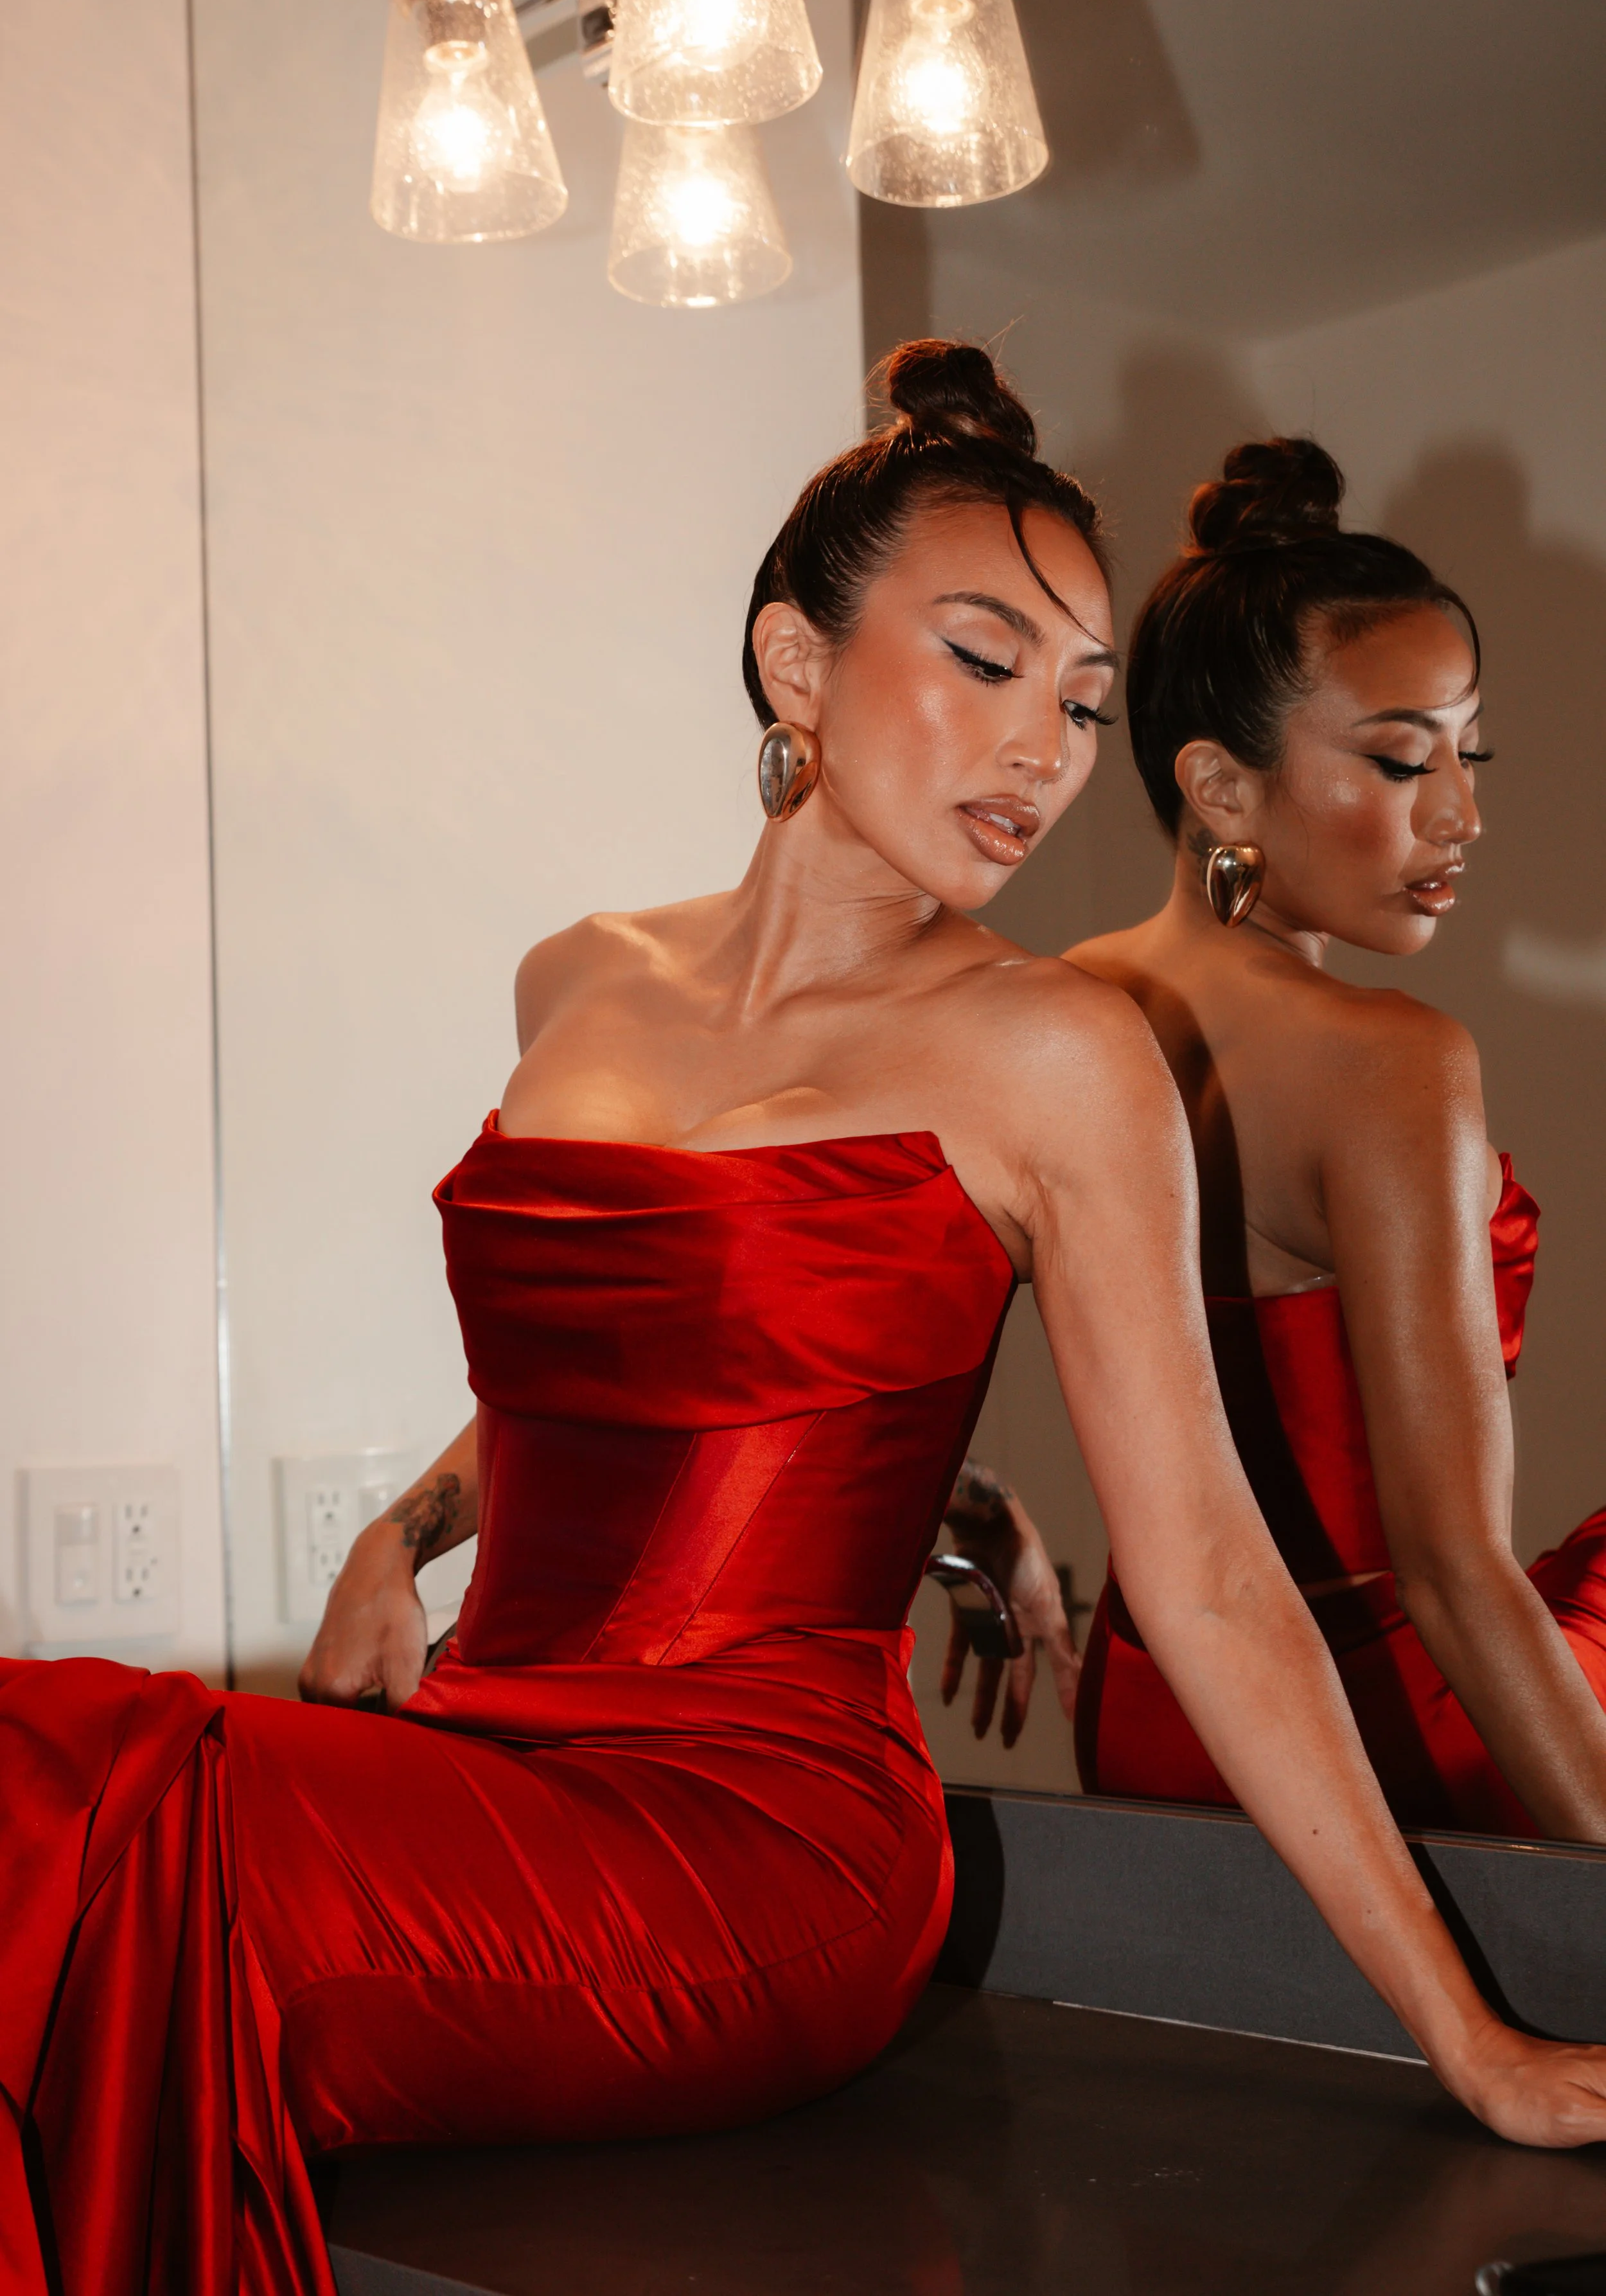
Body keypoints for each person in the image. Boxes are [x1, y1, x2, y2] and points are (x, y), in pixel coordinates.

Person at [6, 357, 1605, 2296]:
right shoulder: (578, 981)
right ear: (795, 661)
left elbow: (1205, 1576)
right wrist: (405, 1528)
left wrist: (1477, 2040)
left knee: (72, 1786)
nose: (1039, 748)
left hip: (754, 1850)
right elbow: (612, 1372)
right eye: (982, 657)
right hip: (486, 1748)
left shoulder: (1057, 1051)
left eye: (1082, 701)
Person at [1070, 435, 1606, 1841]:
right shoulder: (1390, 1062)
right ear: (1221, 788)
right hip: (1369, 1725)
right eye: (1397, 759)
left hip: (1143, 1709)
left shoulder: (1043, 1012)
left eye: (1466, 754)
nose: (1463, 814)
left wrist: (966, 1520)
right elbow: (1446, 1569)